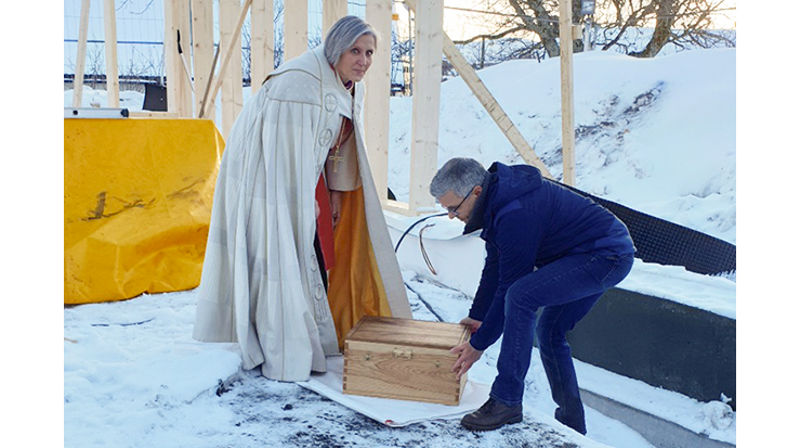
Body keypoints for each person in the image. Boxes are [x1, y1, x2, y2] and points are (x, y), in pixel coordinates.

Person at [193, 16, 411, 382]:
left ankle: (317, 326)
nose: (363, 61)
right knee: (284, 250)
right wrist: (300, 198)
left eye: (370, 53)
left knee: (319, 250)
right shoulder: (299, 85)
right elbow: (281, 156)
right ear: (336, 49)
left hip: (309, 178)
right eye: (355, 51)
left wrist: (335, 193)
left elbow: (337, 144)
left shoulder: (347, 85)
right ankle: (285, 339)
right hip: (269, 183)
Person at [429, 157, 635, 434]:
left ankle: (506, 401)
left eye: (453, 208)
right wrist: (478, 316)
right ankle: (572, 424)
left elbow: (509, 286)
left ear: (476, 191)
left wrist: (479, 344)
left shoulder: (515, 212)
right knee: (550, 331)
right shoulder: (496, 203)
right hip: (585, 254)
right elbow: (494, 267)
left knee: (521, 296)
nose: (451, 216)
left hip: (605, 256)